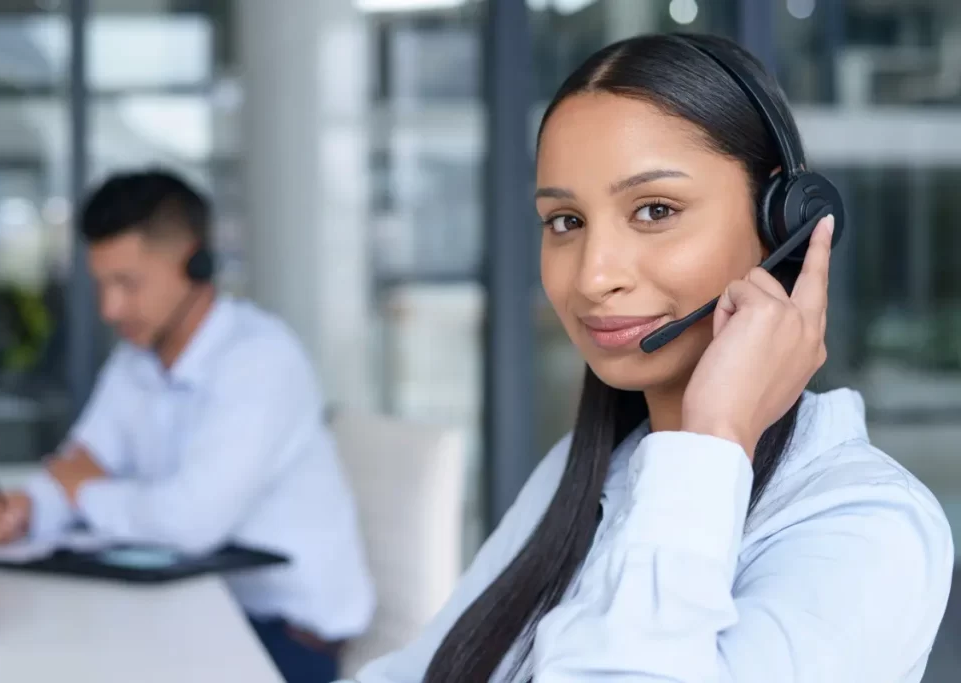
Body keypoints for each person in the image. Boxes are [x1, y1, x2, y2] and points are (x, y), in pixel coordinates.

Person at [339, 33, 954, 683]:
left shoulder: (866, 528)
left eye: (655, 209)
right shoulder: (590, 472)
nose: (594, 276)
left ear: (786, 225)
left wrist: (714, 435)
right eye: (565, 222)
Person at [0, 169, 375, 683]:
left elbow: (188, 522)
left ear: (196, 263)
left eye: (128, 283)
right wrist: (27, 508)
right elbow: (80, 461)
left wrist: (82, 491)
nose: (110, 308)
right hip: (187, 609)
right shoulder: (135, 361)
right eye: (102, 284)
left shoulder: (260, 360)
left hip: (285, 638)